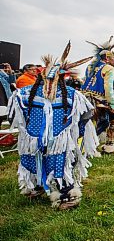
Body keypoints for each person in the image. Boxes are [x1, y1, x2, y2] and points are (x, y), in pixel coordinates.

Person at [8, 42, 99, 209]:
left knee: (46, 163)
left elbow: (12, 115)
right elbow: (88, 113)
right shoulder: (72, 94)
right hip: (52, 139)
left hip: (40, 138)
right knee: (50, 164)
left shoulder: (24, 93)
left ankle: (42, 190)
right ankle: (61, 195)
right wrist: (77, 130)